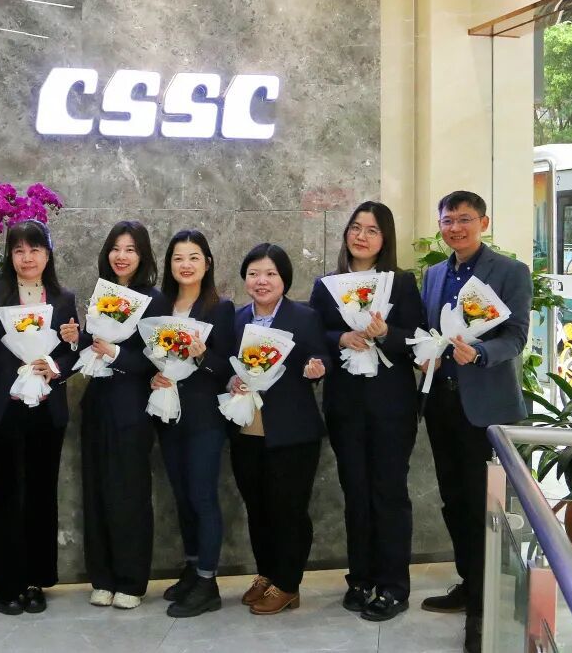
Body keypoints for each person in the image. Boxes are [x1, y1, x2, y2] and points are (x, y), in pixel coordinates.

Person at [417, 191, 530, 653]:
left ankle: (483, 611)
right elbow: (430, 331)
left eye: (465, 219)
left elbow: (516, 336)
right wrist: (423, 353)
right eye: (448, 220)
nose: (455, 228)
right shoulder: (433, 274)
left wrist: (480, 353)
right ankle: (468, 583)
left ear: (483, 222)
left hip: (485, 409)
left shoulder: (509, 271)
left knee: (483, 509)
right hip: (441, 405)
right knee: (453, 501)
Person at [308, 203, 424, 621]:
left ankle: (394, 585)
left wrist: (386, 333)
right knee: (355, 493)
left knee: (389, 493)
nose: (361, 236)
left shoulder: (402, 283)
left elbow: (418, 338)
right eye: (355, 228)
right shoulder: (327, 285)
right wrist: (341, 338)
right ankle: (360, 578)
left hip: (392, 406)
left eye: (372, 230)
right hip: (346, 406)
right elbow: (313, 334)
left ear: (384, 238)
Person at [0, 220, 79, 616]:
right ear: (10, 256)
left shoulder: (64, 298)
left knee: (40, 493)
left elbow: (72, 350)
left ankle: (35, 580)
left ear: (47, 255)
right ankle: (3, 583)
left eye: (35, 249)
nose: (27, 257)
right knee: (3, 494)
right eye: (18, 250)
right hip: (1, 410)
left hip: (46, 410)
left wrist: (59, 363)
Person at [60, 221, 169, 610]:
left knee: (130, 494)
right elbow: (92, 349)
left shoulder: (154, 300)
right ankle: (101, 577)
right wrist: (76, 340)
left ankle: (131, 580)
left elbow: (157, 359)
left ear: (143, 256)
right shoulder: (102, 294)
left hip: (133, 408)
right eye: (116, 248)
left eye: (131, 249)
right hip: (97, 405)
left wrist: (117, 353)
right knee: (96, 493)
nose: (121, 256)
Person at [229, 243, 329, 615]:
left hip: (292, 431)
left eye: (270, 273)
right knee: (257, 507)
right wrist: (230, 382)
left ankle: (288, 583)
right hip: (246, 430)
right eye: (254, 273)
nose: (262, 281)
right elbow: (226, 365)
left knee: (289, 510)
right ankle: (267, 574)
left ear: (284, 279)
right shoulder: (237, 318)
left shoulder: (304, 317)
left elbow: (321, 355)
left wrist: (316, 367)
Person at [153, 230, 235, 618]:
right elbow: (150, 355)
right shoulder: (160, 307)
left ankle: (207, 581)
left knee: (202, 496)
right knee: (182, 496)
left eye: (193, 257)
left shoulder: (220, 308)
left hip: (205, 417)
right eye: (178, 258)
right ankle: (191, 567)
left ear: (207, 263)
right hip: (168, 413)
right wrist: (153, 377)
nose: (185, 265)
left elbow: (229, 367)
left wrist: (203, 357)